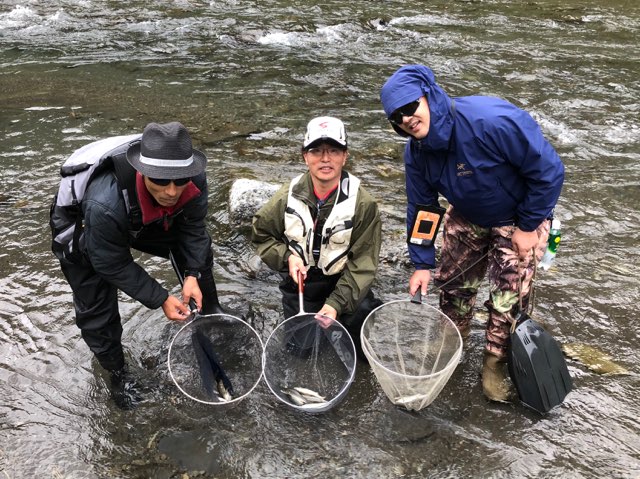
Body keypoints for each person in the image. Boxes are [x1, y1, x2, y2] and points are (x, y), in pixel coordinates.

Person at [380, 65, 565, 402]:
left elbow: (549, 171)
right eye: (397, 116)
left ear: (429, 96)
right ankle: (451, 343)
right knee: (450, 280)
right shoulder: (416, 153)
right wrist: (421, 263)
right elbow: (423, 209)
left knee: (507, 294)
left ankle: (495, 361)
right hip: (467, 213)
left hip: (520, 214)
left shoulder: (490, 120)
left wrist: (528, 227)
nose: (406, 118)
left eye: (410, 107)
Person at [50, 121, 225, 408]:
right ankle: (118, 374)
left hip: (147, 216)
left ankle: (211, 311)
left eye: (179, 181)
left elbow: (193, 229)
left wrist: (192, 274)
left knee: (198, 251)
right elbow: (110, 263)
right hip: (85, 225)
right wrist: (160, 298)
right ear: (142, 172)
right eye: (161, 181)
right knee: (96, 308)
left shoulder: (193, 178)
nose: (171, 191)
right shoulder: (104, 204)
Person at [251, 116, 382, 357]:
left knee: (361, 352)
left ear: (345, 156)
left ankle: (355, 321)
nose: (325, 158)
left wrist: (335, 304)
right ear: (305, 156)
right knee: (299, 352)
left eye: (333, 150)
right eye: (316, 151)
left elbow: (363, 265)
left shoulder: (364, 204)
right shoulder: (285, 197)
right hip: (301, 283)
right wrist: (286, 258)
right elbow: (261, 236)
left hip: (343, 281)